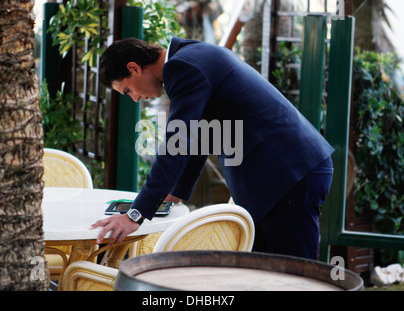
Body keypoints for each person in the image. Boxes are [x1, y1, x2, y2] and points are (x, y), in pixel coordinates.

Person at [90, 37, 334, 260]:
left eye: (128, 90)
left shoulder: (182, 67)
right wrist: (174, 192)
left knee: (296, 279)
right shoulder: (191, 57)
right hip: (282, 176)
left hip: (289, 174)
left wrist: (136, 215)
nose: (134, 98)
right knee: (267, 277)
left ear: (134, 68)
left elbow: (177, 144)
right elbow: (200, 137)